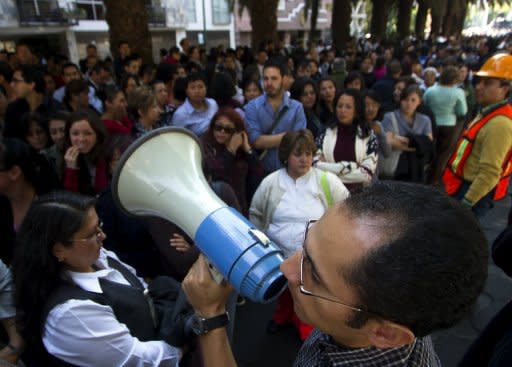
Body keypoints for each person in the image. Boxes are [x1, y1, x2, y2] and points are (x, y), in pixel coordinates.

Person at [182, 181, 489, 367]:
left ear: (386, 333)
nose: (287, 267)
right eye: (306, 244)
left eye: (313, 275)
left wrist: (210, 314)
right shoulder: (390, 311)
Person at [12, 191, 183, 366]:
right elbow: (139, 360)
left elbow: (140, 289)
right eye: (91, 234)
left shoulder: (99, 256)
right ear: (58, 250)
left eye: (99, 225)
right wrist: (191, 336)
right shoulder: (70, 314)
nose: (103, 236)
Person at [250, 129, 349, 341]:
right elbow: (256, 215)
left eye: (308, 153)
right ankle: (282, 317)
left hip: (314, 256)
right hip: (278, 253)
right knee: (284, 291)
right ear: (286, 155)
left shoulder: (327, 182)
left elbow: (346, 210)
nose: (304, 159)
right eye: (298, 154)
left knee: (308, 294)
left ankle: (306, 330)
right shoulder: (270, 183)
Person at [443, 53, 512, 218]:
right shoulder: (488, 112)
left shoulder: (499, 124)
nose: (479, 87)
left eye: (487, 83)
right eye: (479, 81)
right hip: (462, 187)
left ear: (506, 88)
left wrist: (466, 203)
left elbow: (489, 173)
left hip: (470, 193)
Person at [245, 59, 307, 173]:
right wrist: (290, 135)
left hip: (289, 171)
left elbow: (299, 141)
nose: (269, 83)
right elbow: (256, 141)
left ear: (283, 80)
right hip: (260, 170)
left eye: (274, 78)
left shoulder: (297, 108)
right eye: (265, 78)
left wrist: (267, 140)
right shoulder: (252, 107)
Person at [201, 107, 264, 215]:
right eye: (218, 127)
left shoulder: (241, 151)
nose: (222, 132)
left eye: (228, 130)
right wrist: (230, 150)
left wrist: (247, 149)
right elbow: (216, 174)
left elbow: (259, 174)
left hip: (240, 208)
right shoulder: (204, 147)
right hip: (215, 207)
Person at [315, 89, 378, 192]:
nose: (342, 110)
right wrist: (349, 167)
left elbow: (366, 174)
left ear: (357, 111)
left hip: (359, 195)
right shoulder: (324, 132)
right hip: (328, 192)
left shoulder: (369, 135)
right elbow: (315, 165)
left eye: (348, 107)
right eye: (339, 106)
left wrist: (328, 169)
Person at [423, 66, 467, 184]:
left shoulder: (430, 90)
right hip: (449, 124)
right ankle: (434, 178)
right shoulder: (458, 92)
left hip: (431, 124)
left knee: (429, 149)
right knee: (442, 153)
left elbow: (424, 105)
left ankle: (424, 170)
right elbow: (462, 111)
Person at [380, 85, 433, 181]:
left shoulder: (425, 120)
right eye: (406, 99)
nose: (409, 103)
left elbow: (428, 142)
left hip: (415, 169)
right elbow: (388, 142)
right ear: (401, 100)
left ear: (419, 102)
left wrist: (398, 138)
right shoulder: (389, 117)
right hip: (393, 167)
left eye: (413, 100)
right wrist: (417, 143)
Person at [62, 109, 108, 196]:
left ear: (97, 135)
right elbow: (71, 198)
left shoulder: (109, 154)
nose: (81, 139)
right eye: (75, 134)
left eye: (88, 133)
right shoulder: (65, 157)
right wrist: (71, 169)